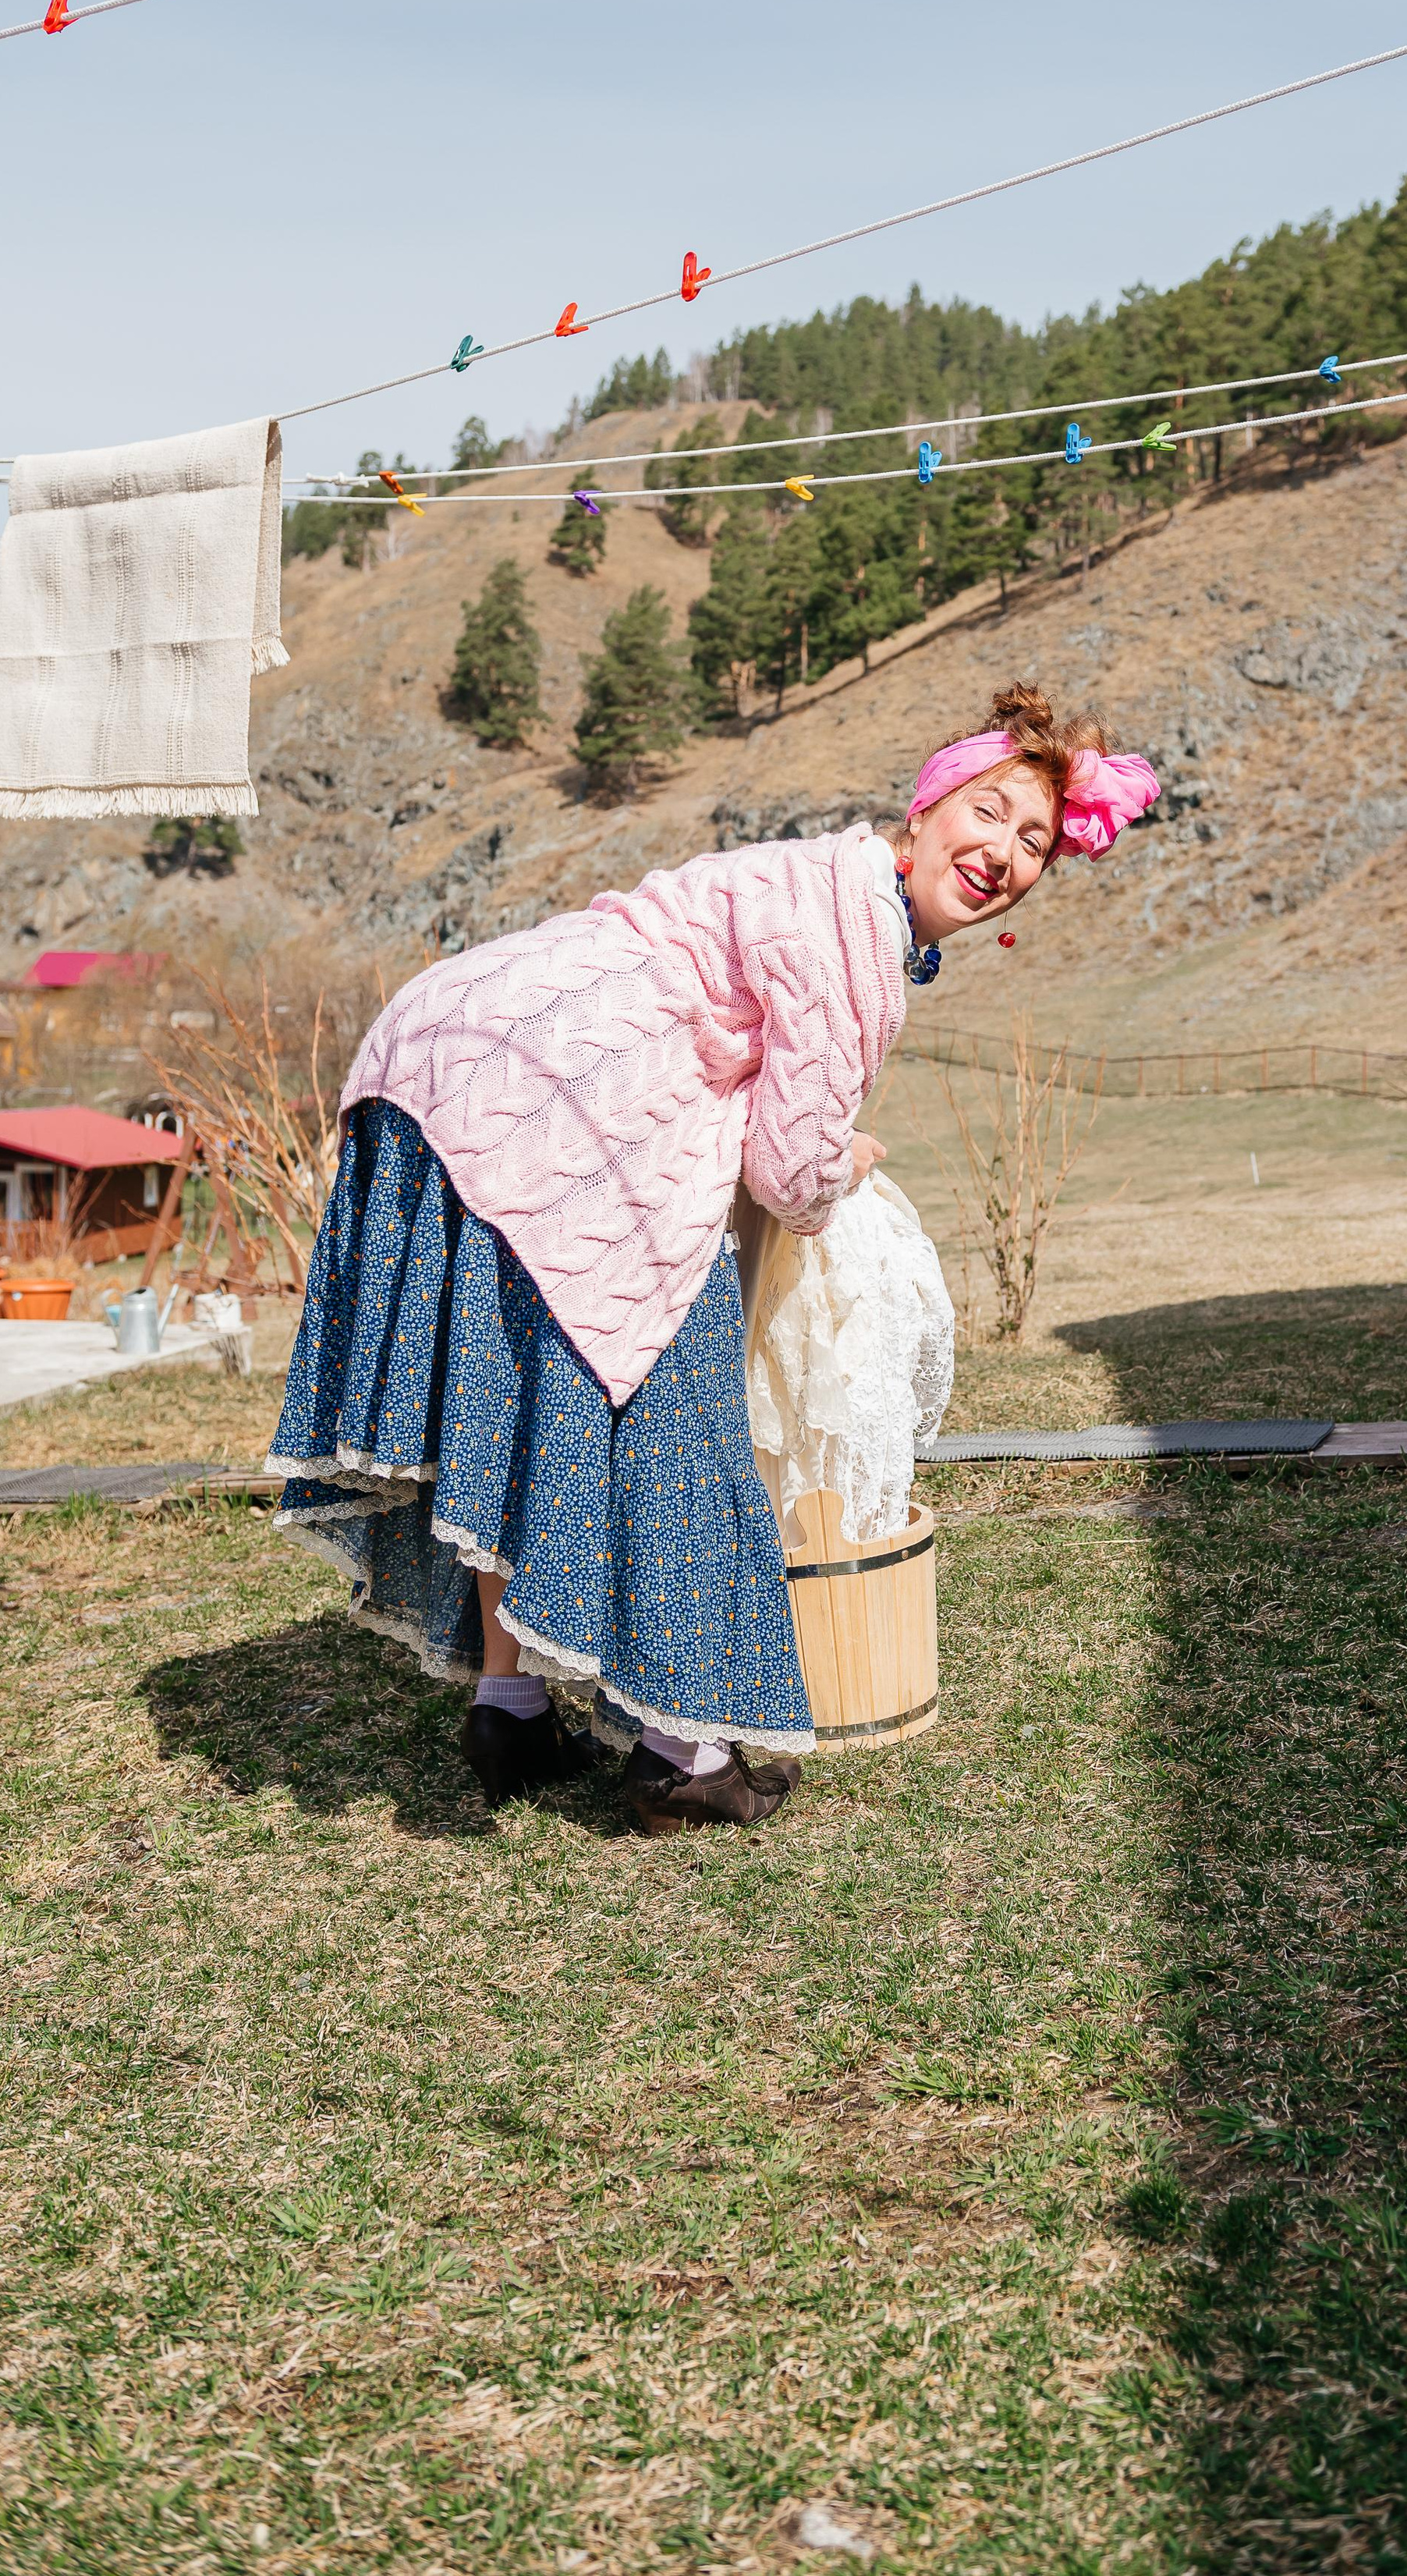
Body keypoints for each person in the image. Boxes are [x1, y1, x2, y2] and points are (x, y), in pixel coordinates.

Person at [268, 683, 1157, 1835]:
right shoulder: (854, 930)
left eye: (1034, 841)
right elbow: (793, 1172)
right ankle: (684, 1756)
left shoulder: (814, 878)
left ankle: (510, 1706)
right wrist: (851, 1157)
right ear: (928, 806)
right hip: (552, 1091)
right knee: (672, 1409)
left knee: (520, 1406)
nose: (1002, 852)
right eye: (988, 812)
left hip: (440, 1052)